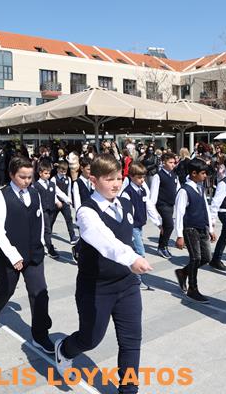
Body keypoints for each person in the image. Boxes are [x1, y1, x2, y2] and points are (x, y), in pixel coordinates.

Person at [54, 154, 152, 394]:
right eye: (109, 179)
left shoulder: (125, 203)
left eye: (119, 178)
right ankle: (64, 349)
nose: (116, 184)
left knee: (131, 341)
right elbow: (104, 239)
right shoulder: (87, 212)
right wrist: (131, 258)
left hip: (127, 284)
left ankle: (128, 390)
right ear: (93, 180)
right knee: (90, 339)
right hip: (97, 287)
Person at [0, 156, 54, 354]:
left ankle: (40, 335)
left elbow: (40, 219)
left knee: (39, 293)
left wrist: (42, 243)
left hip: (34, 254)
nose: (26, 181)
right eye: (22, 177)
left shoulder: (34, 192)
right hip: (10, 256)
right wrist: (13, 255)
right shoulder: (2, 196)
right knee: (5, 290)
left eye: (29, 177)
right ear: (11, 175)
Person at [173, 158, 216, 303]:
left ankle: (183, 272)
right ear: (193, 173)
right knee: (195, 257)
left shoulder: (201, 188)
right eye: (203, 173)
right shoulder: (184, 191)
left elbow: (206, 208)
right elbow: (179, 214)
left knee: (206, 258)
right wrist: (179, 235)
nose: (205, 176)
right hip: (190, 228)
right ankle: (193, 288)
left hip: (202, 227)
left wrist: (210, 228)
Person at [120, 162, 162, 290]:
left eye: (143, 177)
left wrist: (158, 223)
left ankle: (129, 276)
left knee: (134, 252)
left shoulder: (142, 190)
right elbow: (124, 212)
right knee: (140, 253)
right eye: (139, 177)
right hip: (132, 227)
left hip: (139, 225)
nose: (142, 180)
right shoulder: (127, 193)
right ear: (131, 176)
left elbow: (149, 206)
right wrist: (127, 228)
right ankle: (136, 280)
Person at [150, 152, 180, 259]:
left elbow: (178, 190)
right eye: (170, 162)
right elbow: (153, 193)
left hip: (170, 205)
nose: (173, 164)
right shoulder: (158, 176)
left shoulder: (174, 175)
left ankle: (163, 245)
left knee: (167, 226)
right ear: (163, 162)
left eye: (174, 162)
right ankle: (162, 247)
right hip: (162, 204)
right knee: (170, 225)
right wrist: (153, 207)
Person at [34, 159, 63, 259]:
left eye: (49, 173)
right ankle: (50, 248)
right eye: (46, 173)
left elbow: (54, 195)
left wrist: (58, 201)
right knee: (47, 229)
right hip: (43, 210)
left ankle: (44, 244)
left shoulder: (51, 184)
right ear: (40, 173)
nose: (48, 175)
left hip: (51, 209)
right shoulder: (36, 186)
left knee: (47, 228)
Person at [50, 160, 79, 245]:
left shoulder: (68, 179)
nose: (63, 173)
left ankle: (72, 237)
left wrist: (69, 201)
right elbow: (53, 192)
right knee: (51, 220)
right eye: (61, 171)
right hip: (56, 203)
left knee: (69, 219)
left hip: (65, 203)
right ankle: (47, 236)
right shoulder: (53, 179)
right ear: (58, 170)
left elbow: (68, 191)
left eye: (65, 171)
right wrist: (57, 201)